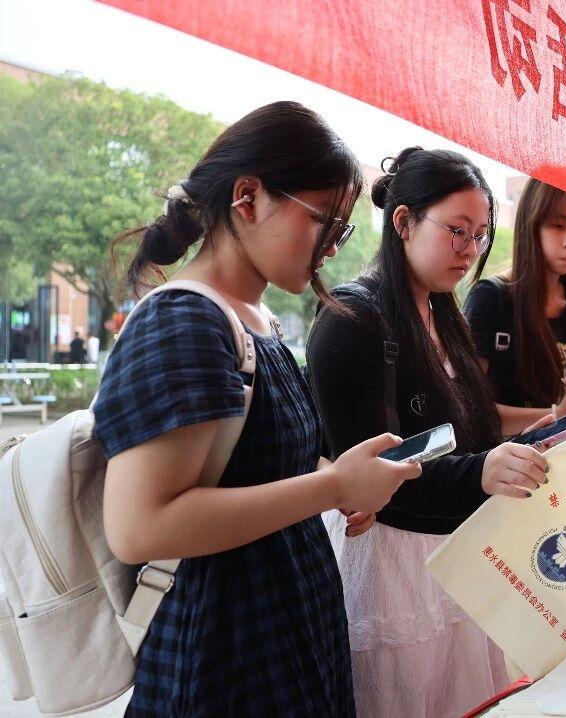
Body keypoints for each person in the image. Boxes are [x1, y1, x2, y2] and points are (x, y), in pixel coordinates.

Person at [95, 101, 421, 716]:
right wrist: (329, 487)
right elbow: (141, 527)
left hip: (285, 635)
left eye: (341, 229)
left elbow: (256, 470)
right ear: (248, 198)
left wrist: (340, 477)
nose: (330, 247)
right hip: (222, 655)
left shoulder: (259, 320)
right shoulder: (184, 320)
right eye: (324, 220)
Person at [307, 147, 551, 717]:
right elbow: (370, 482)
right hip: (391, 566)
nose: (469, 251)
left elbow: (472, 426)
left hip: (460, 552)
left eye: (481, 236)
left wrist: (537, 429)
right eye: (457, 231)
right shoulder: (353, 320)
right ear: (404, 221)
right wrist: (484, 471)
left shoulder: (444, 315)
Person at [463, 179, 566, 430]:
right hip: (510, 463)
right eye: (558, 226)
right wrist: (561, 414)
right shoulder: (491, 299)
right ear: (532, 224)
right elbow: (469, 409)